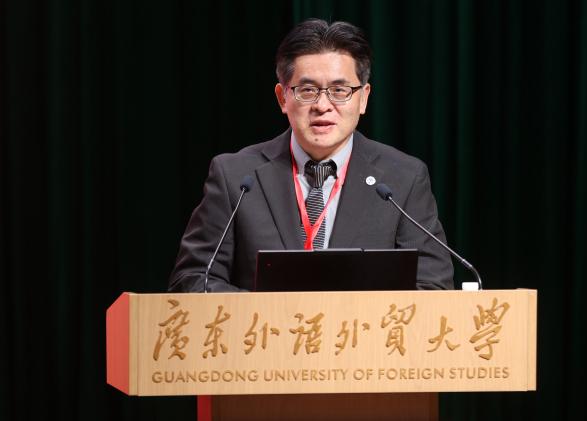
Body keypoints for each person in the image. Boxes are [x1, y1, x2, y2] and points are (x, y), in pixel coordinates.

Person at [169, 19, 454, 292]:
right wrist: (266, 313)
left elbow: (433, 286)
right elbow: (193, 279)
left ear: (363, 98)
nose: (322, 105)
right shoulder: (235, 177)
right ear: (282, 97)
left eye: (339, 90)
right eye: (307, 90)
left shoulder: (403, 179)